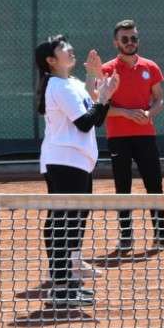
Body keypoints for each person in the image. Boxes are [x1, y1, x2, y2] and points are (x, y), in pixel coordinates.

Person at [35, 35, 119, 308]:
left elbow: (94, 118)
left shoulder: (71, 84)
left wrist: (102, 96)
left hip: (78, 161)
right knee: (62, 222)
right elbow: (84, 123)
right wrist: (104, 98)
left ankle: (68, 283)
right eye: (63, 48)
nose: (70, 49)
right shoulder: (58, 85)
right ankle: (60, 287)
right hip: (64, 160)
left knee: (74, 219)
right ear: (51, 60)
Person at [97, 19, 164, 252]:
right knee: (122, 186)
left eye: (133, 38)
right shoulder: (106, 70)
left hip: (145, 135)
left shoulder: (150, 67)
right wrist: (125, 113)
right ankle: (126, 236)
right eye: (125, 39)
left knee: (154, 183)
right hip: (118, 137)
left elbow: (159, 99)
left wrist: (149, 112)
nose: (130, 42)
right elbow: (100, 107)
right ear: (116, 42)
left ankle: (162, 233)